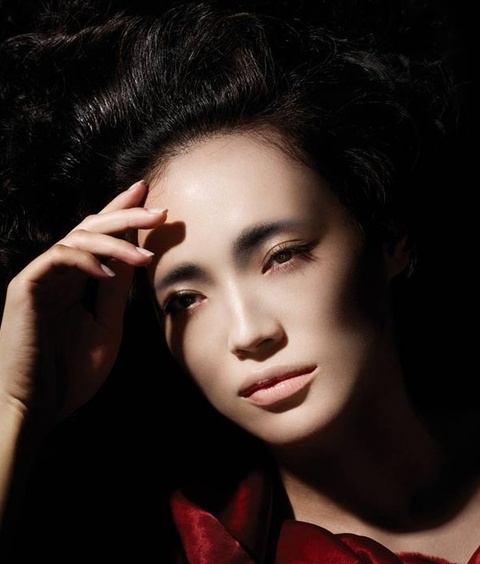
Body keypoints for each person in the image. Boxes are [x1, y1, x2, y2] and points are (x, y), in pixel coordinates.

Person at [0, 0, 478, 561]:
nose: (249, 334)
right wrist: (16, 408)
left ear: (387, 235)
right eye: (185, 298)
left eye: (282, 256)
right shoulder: (197, 548)